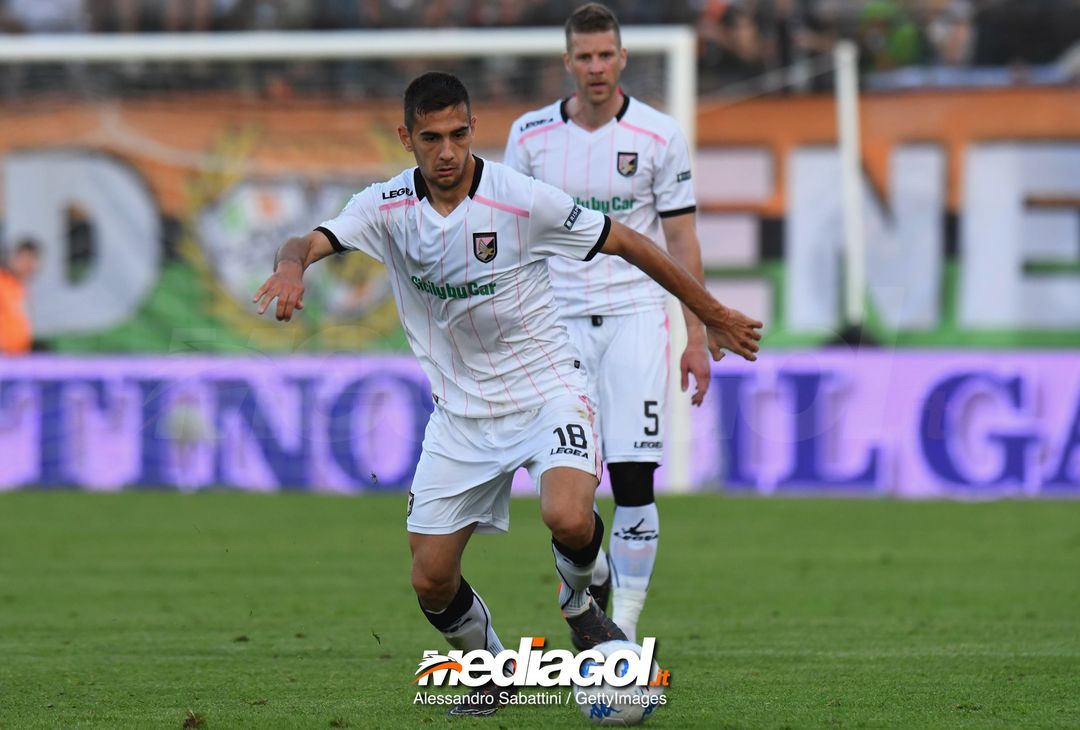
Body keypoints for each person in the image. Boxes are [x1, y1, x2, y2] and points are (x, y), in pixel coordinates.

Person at [253, 71, 762, 717]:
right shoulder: (384, 208)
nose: (446, 151)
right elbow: (309, 239)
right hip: (461, 416)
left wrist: (708, 312)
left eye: (459, 134)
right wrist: (291, 268)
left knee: (569, 517)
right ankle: (493, 670)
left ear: (473, 130)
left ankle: (582, 599)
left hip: (549, 389)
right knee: (430, 581)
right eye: (431, 138)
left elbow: (629, 240)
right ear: (406, 137)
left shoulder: (521, 200)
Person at [504, 2, 705, 644]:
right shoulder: (530, 136)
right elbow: (509, 237)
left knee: (634, 475)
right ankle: (588, 603)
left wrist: (696, 333)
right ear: (567, 63)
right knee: (570, 494)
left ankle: (622, 631)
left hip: (637, 317)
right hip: (555, 324)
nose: (595, 67)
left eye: (605, 55)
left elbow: (681, 238)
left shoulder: (658, 134)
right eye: (583, 56)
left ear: (623, 58)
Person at [0, 239, 41, 355]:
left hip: (19, 357)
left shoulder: (21, 287)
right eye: (26, 260)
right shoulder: (2, 282)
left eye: (33, 261)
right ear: (13, 258)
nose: (29, 265)